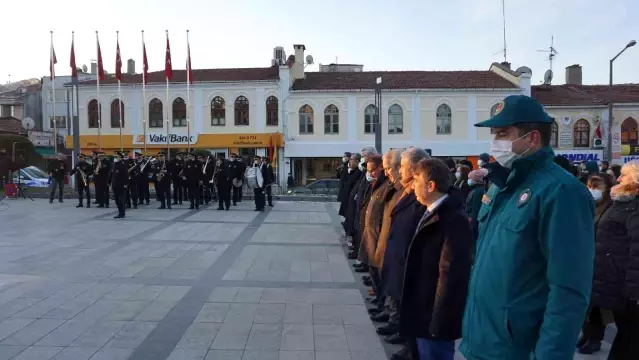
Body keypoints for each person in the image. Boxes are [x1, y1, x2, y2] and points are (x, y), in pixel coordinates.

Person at [460, 95, 595, 360]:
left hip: (516, 349)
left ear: (532, 138)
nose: (495, 142)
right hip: (483, 342)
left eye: (502, 133)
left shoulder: (562, 191)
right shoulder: (502, 183)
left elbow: (568, 290)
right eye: (493, 134)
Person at [401, 158, 472, 360]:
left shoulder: (452, 220)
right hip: (421, 311)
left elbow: (451, 277)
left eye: (416, 181)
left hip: (434, 319)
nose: (412, 186)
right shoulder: (430, 211)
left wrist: (438, 321)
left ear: (431, 186)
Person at [380, 147, 429, 360]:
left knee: (410, 311)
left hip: (408, 262)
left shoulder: (421, 196)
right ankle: (409, 345)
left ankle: (412, 350)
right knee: (401, 304)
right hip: (397, 256)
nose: (398, 171)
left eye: (402, 166)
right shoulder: (407, 191)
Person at [591, 161, 639, 359]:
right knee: (626, 333)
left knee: (631, 337)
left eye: (624, 175)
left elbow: (636, 249)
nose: (618, 179)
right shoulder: (621, 201)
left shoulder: (634, 206)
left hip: (629, 289)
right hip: (615, 280)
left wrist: (634, 291)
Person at [577, 172, 614, 355]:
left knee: (597, 306)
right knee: (585, 303)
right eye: (590, 185)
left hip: (601, 262)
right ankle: (586, 334)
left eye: (597, 186)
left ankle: (595, 339)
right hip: (586, 260)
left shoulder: (610, 209)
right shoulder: (587, 205)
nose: (593, 190)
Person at [359, 154, 391, 316]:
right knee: (374, 272)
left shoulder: (387, 185)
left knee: (380, 273)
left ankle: (383, 305)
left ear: (381, 168)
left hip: (378, 236)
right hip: (370, 234)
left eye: (373, 170)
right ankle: (379, 300)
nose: (370, 173)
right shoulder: (377, 183)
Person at [465, 168, 488, 244]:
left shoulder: (478, 191)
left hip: (473, 221)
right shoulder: (476, 189)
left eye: (470, 178)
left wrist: (472, 223)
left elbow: (476, 208)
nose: (469, 180)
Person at [110, 152, 128, 219]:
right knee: (117, 200)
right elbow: (112, 176)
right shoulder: (114, 164)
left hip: (121, 185)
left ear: (120, 157)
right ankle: (120, 212)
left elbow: (126, 175)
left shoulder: (123, 165)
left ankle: (122, 213)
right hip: (115, 185)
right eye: (115, 157)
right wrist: (110, 183)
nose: (115, 158)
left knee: (121, 200)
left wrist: (125, 184)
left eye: (117, 157)